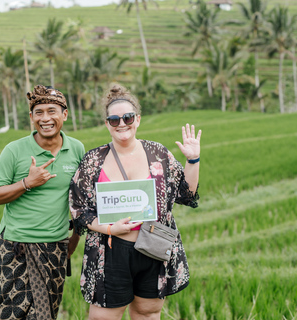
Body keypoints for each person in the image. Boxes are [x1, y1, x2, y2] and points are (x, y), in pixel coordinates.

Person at [69, 83, 201, 320]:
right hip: (109, 250)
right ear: (107, 124)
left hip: (153, 247)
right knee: (102, 316)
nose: (122, 124)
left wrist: (193, 160)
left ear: (137, 120)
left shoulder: (158, 154)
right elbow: (79, 209)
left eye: (128, 118)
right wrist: (110, 228)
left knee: (148, 313)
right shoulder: (94, 160)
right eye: (114, 119)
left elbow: (187, 194)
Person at [0, 85, 85, 320]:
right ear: (31, 118)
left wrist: (73, 239)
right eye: (38, 112)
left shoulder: (76, 149)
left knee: (47, 313)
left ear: (64, 115)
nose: (45, 118)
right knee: (11, 313)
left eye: (52, 111)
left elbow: (80, 201)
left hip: (56, 247)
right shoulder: (14, 150)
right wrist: (27, 183)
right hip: (16, 246)